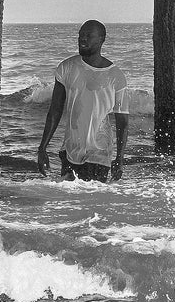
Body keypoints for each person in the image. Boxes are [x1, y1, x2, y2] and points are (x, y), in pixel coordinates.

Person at [35, 20, 129, 182]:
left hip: (99, 151)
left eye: (88, 35)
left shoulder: (116, 76)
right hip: (70, 149)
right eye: (80, 35)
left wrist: (119, 159)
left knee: (91, 200)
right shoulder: (66, 68)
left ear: (101, 39)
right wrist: (42, 148)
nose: (82, 39)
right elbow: (55, 111)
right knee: (70, 202)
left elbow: (122, 121)